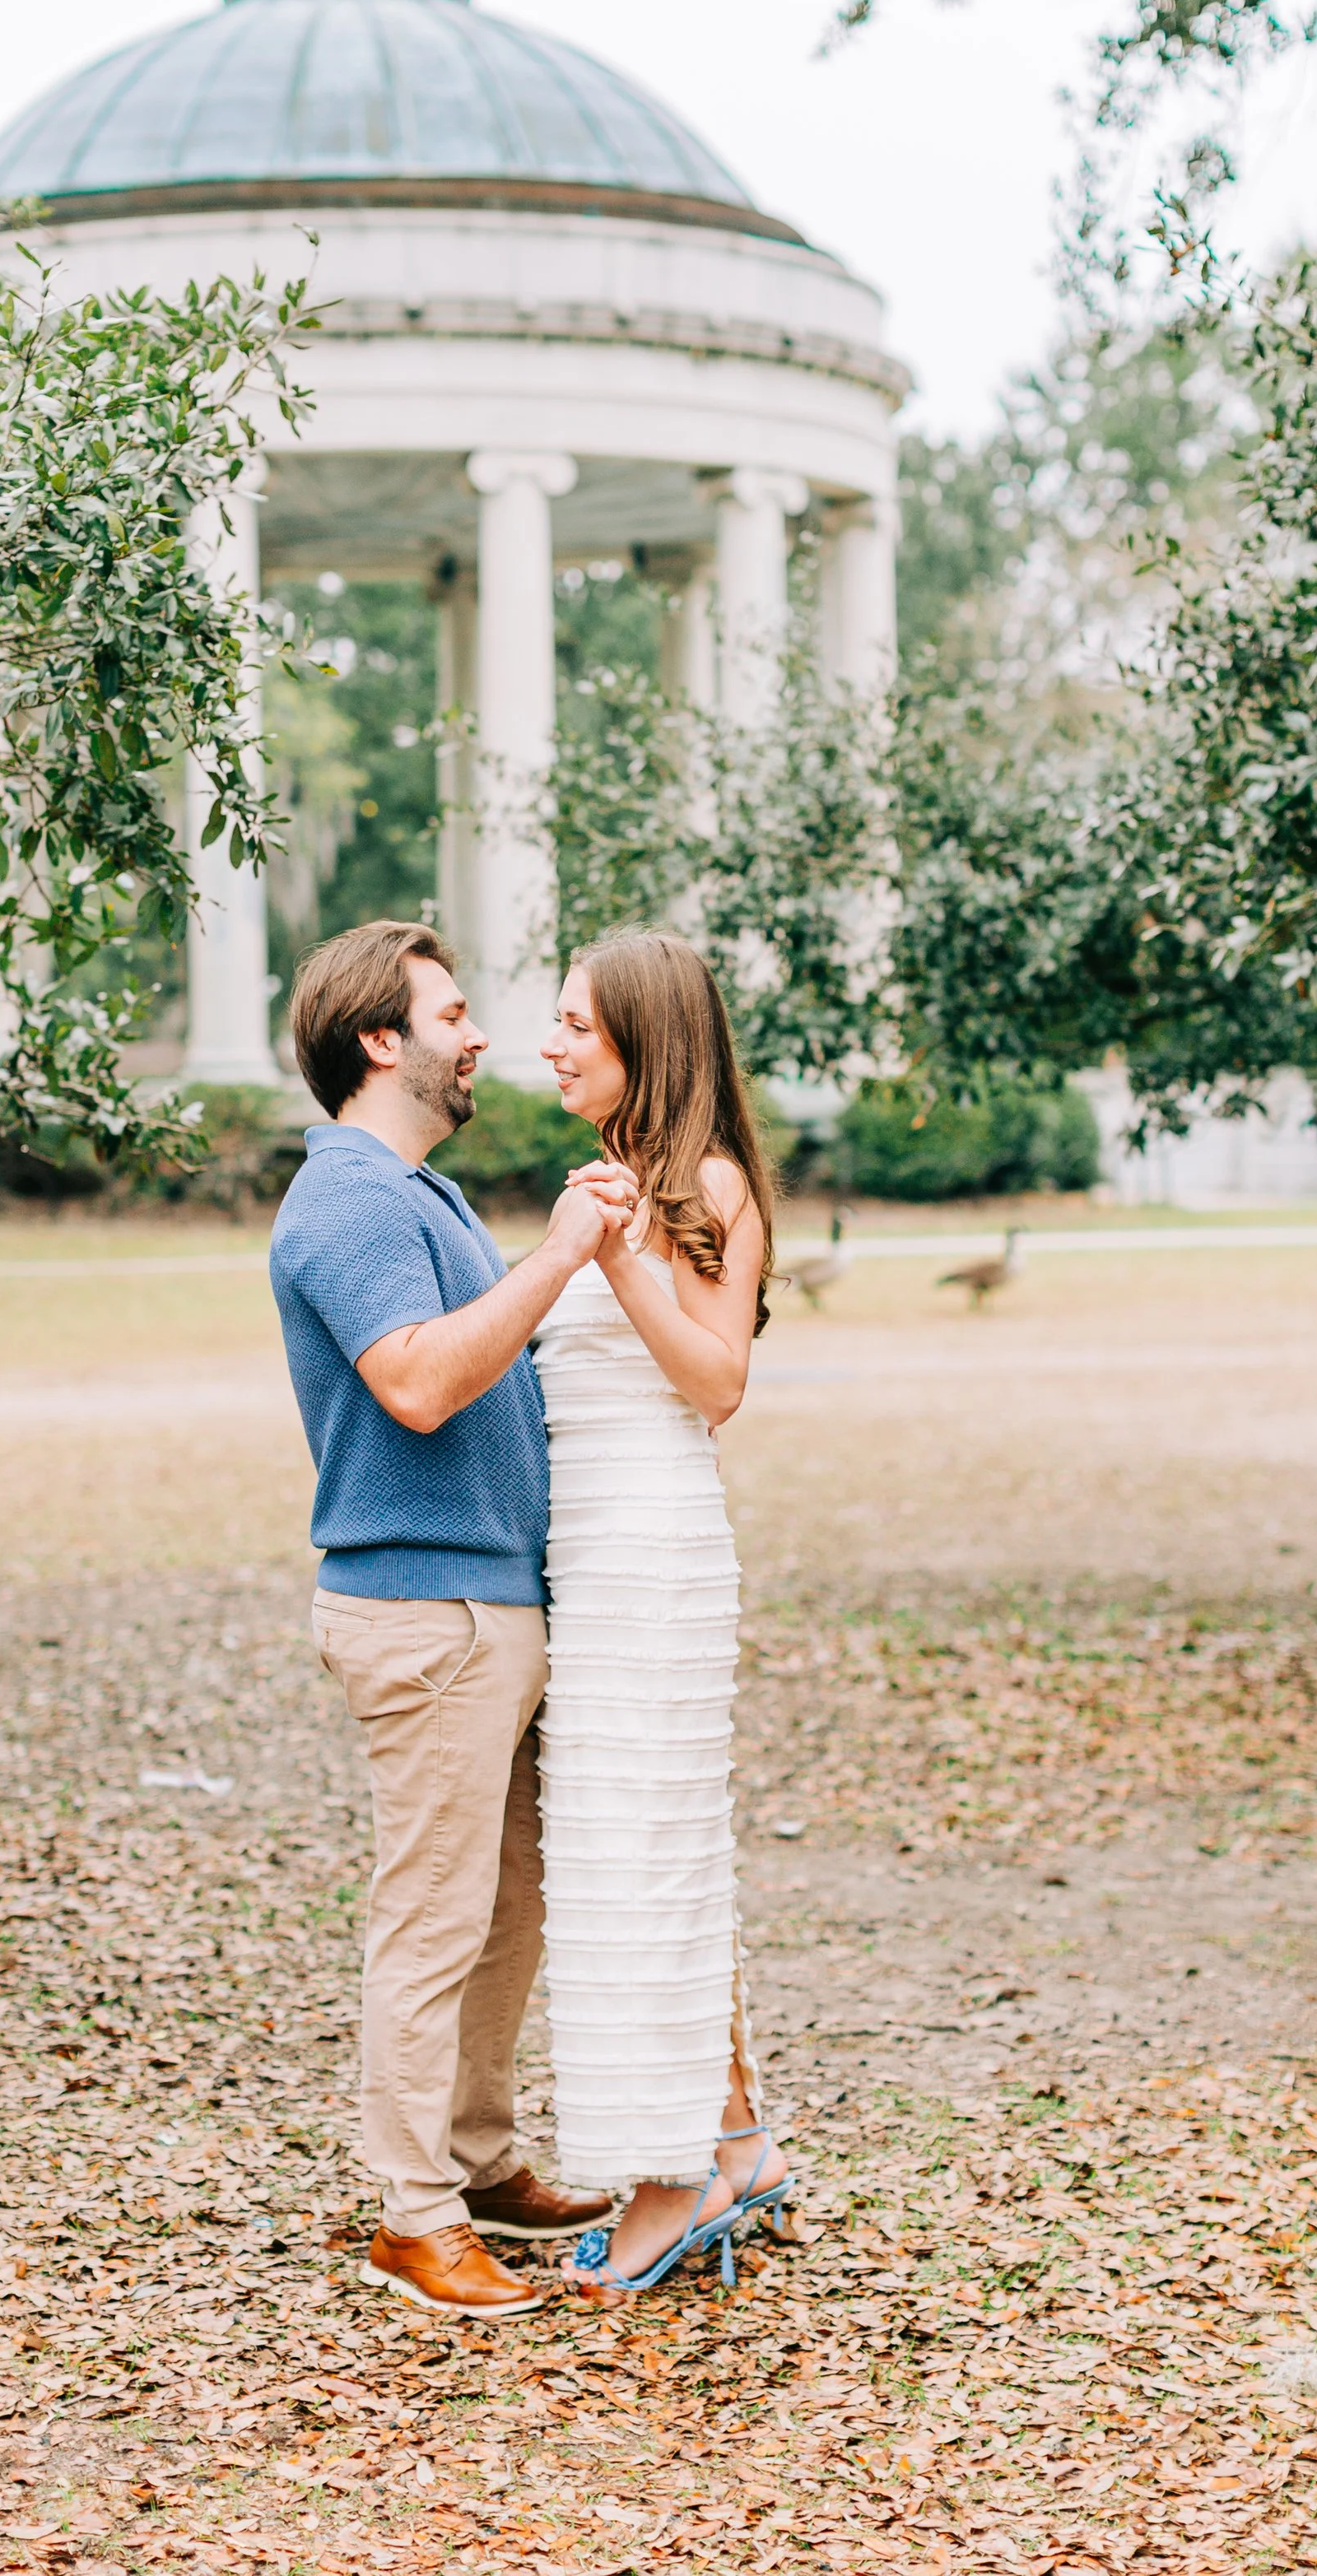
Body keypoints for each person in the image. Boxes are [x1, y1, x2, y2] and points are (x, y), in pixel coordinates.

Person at [269, 920, 620, 2318]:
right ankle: (412, 2215)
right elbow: (416, 1383)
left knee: (509, 1904)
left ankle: (476, 2160)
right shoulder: (350, 1197)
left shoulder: (421, 1190)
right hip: (428, 1613)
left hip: (493, 1602)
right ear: (381, 1039)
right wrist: (560, 1259)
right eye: (455, 1010)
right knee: (432, 1917)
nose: (480, 1033)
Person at [533, 928, 792, 2297]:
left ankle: (666, 2179)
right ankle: (735, 2134)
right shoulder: (609, 1182)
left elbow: (717, 1383)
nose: (551, 1043)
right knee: (647, 1849)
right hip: (592, 1561)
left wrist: (623, 1260)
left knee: (636, 1861)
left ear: (644, 1034)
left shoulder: (705, 1186)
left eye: (576, 1021)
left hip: (657, 1565)